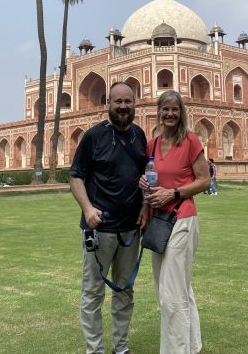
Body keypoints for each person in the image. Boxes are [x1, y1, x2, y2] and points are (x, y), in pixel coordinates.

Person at [70, 81, 149, 354]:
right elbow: (75, 177)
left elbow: (144, 178)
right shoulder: (93, 136)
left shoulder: (140, 135)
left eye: (128, 101)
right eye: (118, 102)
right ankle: (95, 350)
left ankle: (122, 348)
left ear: (135, 103)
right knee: (93, 292)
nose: (123, 106)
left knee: (124, 291)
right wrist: (88, 209)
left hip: (130, 229)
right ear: (109, 105)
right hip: (99, 228)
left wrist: (145, 207)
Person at [140, 90, 209, 354]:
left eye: (175, 109)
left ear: (181, 112)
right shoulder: (153, 145)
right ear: (158, 111)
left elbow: (204, 180)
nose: (170, 114)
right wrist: (145, 191)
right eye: (165, 109)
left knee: (171, 295)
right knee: (175, 288)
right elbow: (150, 179)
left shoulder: (190, 141)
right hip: (160, 221)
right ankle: (192, 345)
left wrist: (174, 193)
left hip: (182, 218)